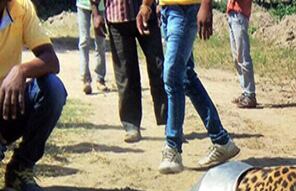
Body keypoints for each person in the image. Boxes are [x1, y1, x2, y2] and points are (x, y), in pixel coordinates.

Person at [137, 0, 239, 174]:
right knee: (185, 78)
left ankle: (173, 148)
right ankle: (222, 141)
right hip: (168, 11)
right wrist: (146, 4)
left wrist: (206, 4)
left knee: (172, 77)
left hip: (185, 10)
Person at [0, 0, 67, 191]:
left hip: (7, 107)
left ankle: (20, 168)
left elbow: (51, 60)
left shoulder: (21, 7)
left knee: (53, 88)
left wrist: (20, 70)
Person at [104, 0, 167, 143]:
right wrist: (96, 13)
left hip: (145, 13)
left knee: (159, 68)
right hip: (117, 17)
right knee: (125, 75)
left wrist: (146, 5)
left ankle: (169, 123)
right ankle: (131, 125)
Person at [227, 0, 257, 109]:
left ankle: (250, 94)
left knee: (243, 55)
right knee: (237, 57)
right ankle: (245, 91)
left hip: (239, 14)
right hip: (233, 13)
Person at [76, 0, 108, 95]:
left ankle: (100, 78)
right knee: (84, 41)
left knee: (100, 41)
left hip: (101, 5)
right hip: (83, 4)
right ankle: (85, 79)